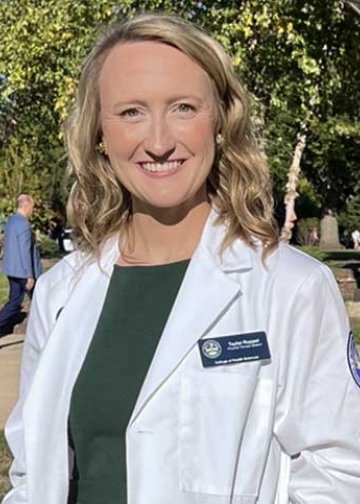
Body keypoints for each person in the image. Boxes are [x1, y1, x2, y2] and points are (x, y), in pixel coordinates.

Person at [3, 14, 360, 504]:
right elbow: (30, 472)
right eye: (130, 112)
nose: (158, 141)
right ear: (99, 134)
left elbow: (340, 475)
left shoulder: (291, 287)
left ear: (220, 122)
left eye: (183, 108)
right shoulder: (61, 292)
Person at [0, 194, 42, 336]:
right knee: (40, 301)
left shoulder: (11, 221)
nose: (33, 210)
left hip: (12, 270)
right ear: (26, 206)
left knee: (15, 302)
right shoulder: (23, 224)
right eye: (33, 207)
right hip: (23, 271)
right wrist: (29, 276)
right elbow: (25, 251)